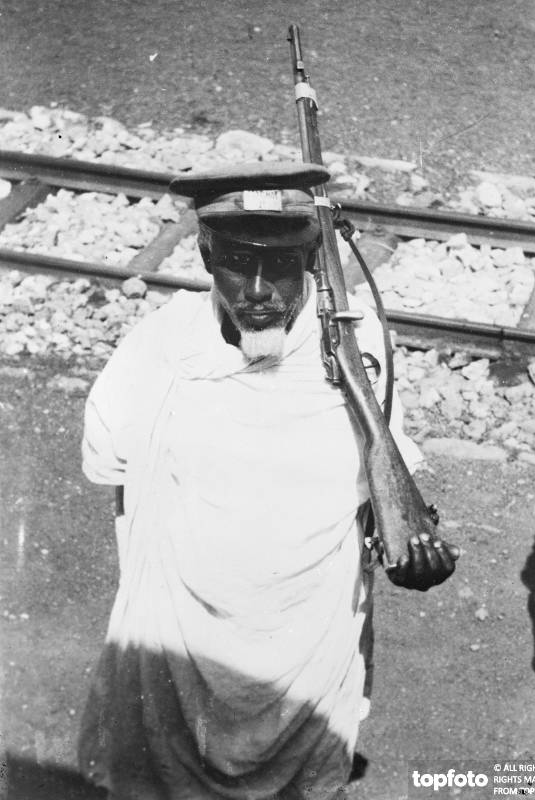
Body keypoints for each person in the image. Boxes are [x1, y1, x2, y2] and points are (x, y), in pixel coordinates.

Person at [78, 161, 459, 800]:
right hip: (178, 662)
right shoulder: (160, 349)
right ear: (204, 256)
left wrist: (417, 552)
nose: (258, 290)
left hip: (307, 655)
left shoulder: (357, 358)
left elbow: (393, 506)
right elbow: (110, 466)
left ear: (312, 263)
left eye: (281, 266)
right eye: (235, 263)